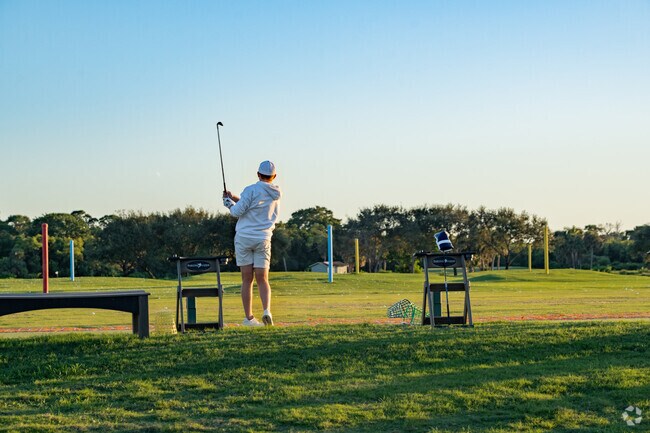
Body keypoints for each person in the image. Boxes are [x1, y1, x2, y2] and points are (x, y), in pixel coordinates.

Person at [223, 160, 282, 327]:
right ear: (274, 176)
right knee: (263, 279)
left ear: (258, 174)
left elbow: (237, 211)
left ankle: (249, 318)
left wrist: (228, 203)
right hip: (263, 239)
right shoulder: (276, 194)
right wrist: (233, 196)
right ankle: (266, 311)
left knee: (247, 279)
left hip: (244, 238)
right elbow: (252, 204)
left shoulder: (251, 190)